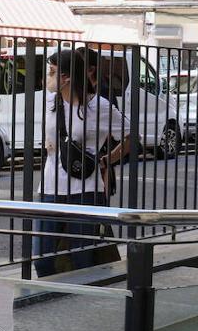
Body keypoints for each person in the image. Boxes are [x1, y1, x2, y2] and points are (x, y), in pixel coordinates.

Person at [34, 48, 134, 277]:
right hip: (50, 187)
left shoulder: (98, 106)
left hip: (85, 189)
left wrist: (107, 159)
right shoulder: (49, 102)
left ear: (67, 77)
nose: (47, 78)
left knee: (82, 258)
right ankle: (49, 294)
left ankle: (81, 296)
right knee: (42, 258)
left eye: (52, 72)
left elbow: (130, 137)